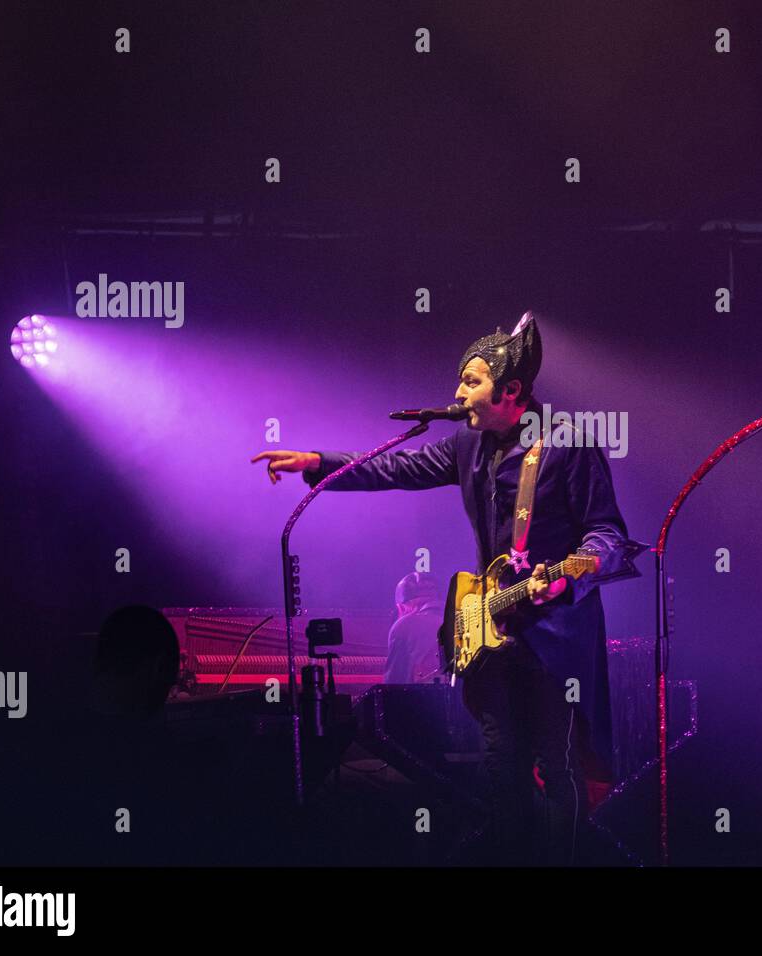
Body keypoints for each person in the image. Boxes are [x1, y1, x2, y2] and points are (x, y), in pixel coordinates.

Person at [252, 312, 632, 864]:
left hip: (557, 637)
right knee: (503, 765)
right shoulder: (468, 446)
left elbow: (607, 534)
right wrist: (319, 462)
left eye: (471, 381)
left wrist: (574, 572)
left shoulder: (568, 445)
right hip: (493, 628)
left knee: (558, 765)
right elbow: (398, 469)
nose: (458, 392)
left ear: (511, 390)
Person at [383, 571, 443, 684]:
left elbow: (394, 684)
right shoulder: (461, 616)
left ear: (401, 608)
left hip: (424, 698)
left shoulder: (404, 625)